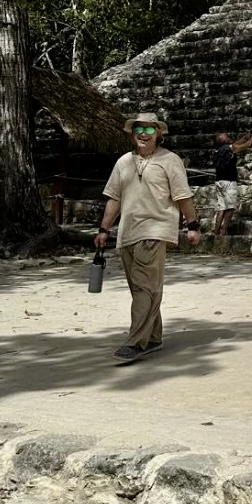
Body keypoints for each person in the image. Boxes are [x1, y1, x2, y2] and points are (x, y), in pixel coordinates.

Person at [95, 113, 201, 364]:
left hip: (155, 229)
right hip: (127, 232)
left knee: (144, 286)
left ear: (159, 134)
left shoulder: (170, 160)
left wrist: (192, 225)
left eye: (150, 130)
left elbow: (183, 196)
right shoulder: (123, 162)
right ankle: (153, 337)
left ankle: (135, 342)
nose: (143, 133)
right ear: (132, 133)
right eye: (138, 129)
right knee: (140, 287)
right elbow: (115, 198)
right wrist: (103, 229)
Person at [211, 128, 252, 235]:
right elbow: (245, 146)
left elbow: (236, 143)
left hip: (219, 181)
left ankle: (216, 233)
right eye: (226, 136)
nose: (229, 136)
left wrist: (245, 137)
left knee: (222, 208)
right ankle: (224, 231)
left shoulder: (219, 149)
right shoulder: (229, 148)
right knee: (230, 208)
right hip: (228, 182)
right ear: (223, 140)